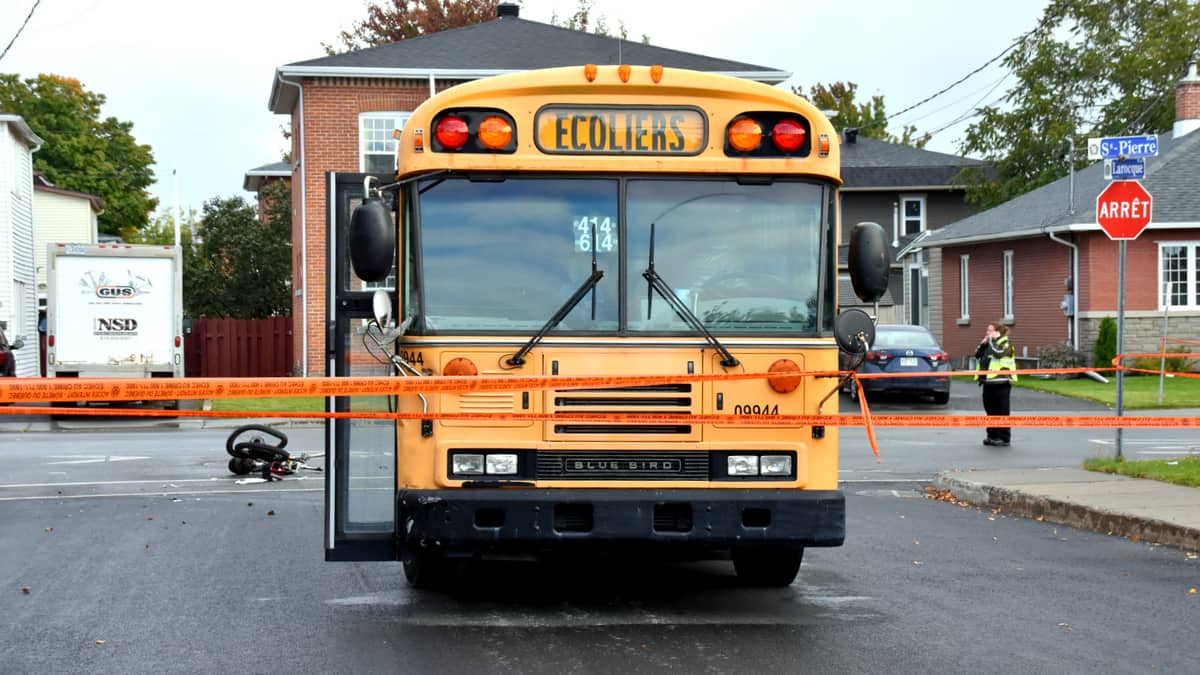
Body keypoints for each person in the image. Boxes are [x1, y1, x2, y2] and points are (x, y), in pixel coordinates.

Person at [974, 323, 1018, 446]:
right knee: (990, 411)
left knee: (1002, 411)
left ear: (998, 332)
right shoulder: (989, 344)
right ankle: (992, 435)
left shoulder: (1005, 344)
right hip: (988, 383)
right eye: (987, 330)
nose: (987, 332)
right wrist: (983, 344)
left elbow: (998, 353)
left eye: (990, 330)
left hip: (1001, 382)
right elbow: (977, 355)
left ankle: (1003, 438)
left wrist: (992, 342)